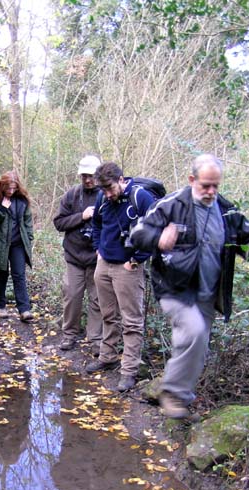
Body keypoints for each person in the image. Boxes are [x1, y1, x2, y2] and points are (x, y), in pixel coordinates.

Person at [130, 153, 249, 420]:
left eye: (215, 186)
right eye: (205, 185)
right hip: (174, 287)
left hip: (208, 293)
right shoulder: (172, 205)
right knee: (195, 332)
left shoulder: (227, 211)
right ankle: (171, 394)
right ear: (191, 180)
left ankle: (181, 401)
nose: (211, 192)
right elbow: (137, 234)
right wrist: (158, 238)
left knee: (197, 344)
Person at [88, 161, 156, 392]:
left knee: (131, 322)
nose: (107, 194)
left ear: (121, 180)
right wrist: (98, 249)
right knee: (108, 314)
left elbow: (156, 228)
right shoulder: (103, 199)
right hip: (104, 264)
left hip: (128, 267)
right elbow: (97, 224)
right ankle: (107, 357)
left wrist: (137, 258)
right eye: (103, 190)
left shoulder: (141, 197)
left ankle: (128, 371)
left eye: (110, 189)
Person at [52, 155, 103, 354]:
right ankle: (69, 335)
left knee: (97, 299)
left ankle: (96, 338)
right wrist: (81, 217)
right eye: (84, 176)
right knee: (72, 296)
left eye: (91, 175)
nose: (88, 180)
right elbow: (59, 223)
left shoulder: (106, 195)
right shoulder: (71, 195)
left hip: (97, 259)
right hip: (74, 256)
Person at [0, 171, 35, 323]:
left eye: (13, 188)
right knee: (1, 275)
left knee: (19, 275)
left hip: (18, 244)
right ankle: (0, 306)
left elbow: (28, 222)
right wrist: (2, 209)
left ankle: (24, 310)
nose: (11, 191)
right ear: (2, 186)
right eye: (8, 188)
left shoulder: (22, 200)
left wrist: (29, 239)